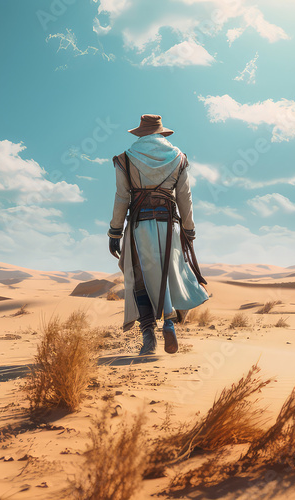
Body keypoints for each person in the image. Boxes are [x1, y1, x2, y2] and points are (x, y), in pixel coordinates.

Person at [109, 114, 210, 355]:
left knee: (139, 279)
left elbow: (122, 196)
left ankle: (148, 340)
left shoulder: (125, 159)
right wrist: (189, 229)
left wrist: (114, 231)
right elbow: (185, 198)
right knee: (168, 275)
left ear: (140, 134)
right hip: (169, 228)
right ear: (161, 133)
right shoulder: (179, 158)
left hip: (139, 227)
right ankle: (168, 323)